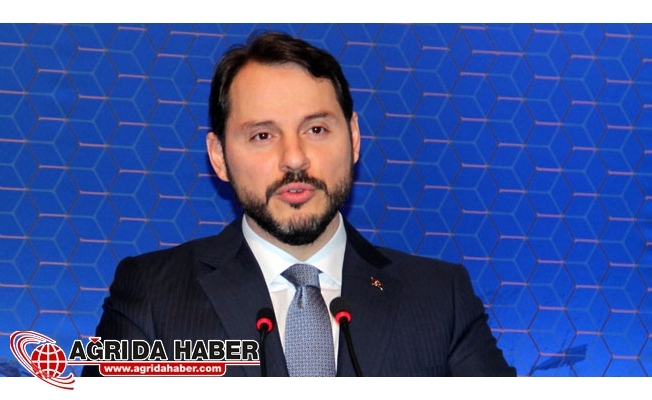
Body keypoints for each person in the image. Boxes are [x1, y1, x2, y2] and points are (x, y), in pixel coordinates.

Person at [83, 31, 516, 377]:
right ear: (219, 157)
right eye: (262, 135)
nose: (294, 158)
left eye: (316, 130)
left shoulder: (439, 297)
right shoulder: (153, 294)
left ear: (354, 138)